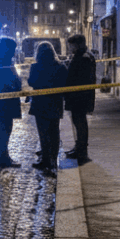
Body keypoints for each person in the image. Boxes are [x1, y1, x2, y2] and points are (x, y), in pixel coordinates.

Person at [27, 42, 67, 174]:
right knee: (54, 132)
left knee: (43, 133)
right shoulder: (60, 66)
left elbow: (31, 82)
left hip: (40, 103)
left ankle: (45, 160)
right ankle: (53, 159)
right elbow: (65, 82)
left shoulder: (35, 66)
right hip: (55, 102)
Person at [0, 37, 22, 169]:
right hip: (4, 103)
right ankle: (2, 157)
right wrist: (14, 87)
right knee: (3, 129)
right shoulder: (2, 61)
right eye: (13, 49)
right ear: (7, 48)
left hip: (1, 102)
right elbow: (1, 81)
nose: (14, 51)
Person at [65, 34, 97, 164]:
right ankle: (79, 148)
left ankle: (82, 152)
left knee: (80, 124)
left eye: (71, 45)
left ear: (77, 45)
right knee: (79, 123)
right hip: (79, 96)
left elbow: (77, 78)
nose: (69, 48)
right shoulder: (84, 56)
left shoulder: (83, 58)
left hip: (79, 97)